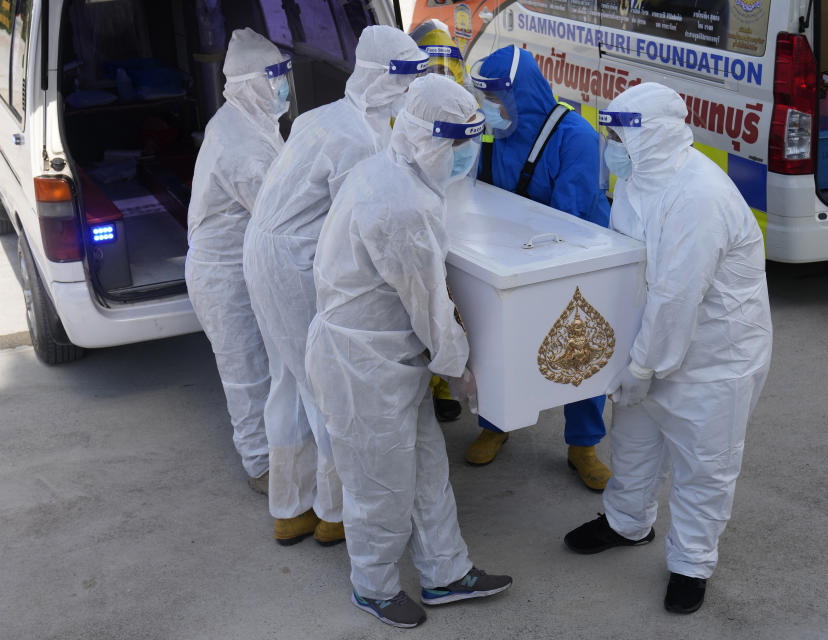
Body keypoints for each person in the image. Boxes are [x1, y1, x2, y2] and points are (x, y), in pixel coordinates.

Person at [304, 73, 512, 629]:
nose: (467, 155)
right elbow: (430, 308)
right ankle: (372, 585)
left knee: (425, 468)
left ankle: (447, 573)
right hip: (361, 365)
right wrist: (461, 369)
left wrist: (443, 362)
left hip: (391, 358)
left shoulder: (391, 170)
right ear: (427, 140)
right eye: (458, 145)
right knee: (380, 484)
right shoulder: (401, 205)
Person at [563, 83, 773, 615]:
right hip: (651, 347)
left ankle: (691, 564)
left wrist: (643, 365)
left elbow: (678, 295)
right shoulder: (638, 178)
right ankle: (628, 523)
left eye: (618, 134)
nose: (610, 143)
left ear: (650, 135)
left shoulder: (697, 196)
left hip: (714, 360)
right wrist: (634, 360)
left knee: (705, 467)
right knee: (633, 444)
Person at [243, 26, 428, 548]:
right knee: (324, 384)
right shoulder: (360, 139)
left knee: (289, 377)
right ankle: (332, 511)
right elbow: (361, 228)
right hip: (297, 261)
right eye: (405, 76)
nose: (411, 87)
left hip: (265, 249)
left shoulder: (324, 115)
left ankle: (290, 507)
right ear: (378, 76)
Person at [467, 45, 613, 490]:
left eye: (496, 99)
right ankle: (496, 423)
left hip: (575, 260)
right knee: (498, 344)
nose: (490, 109)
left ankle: (583, 445)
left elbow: (566, 216)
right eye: (485, 100)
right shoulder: (491, 134)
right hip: (508, 259)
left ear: (521, 94)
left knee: (582, 349)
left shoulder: (576, 137)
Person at [185, 28, 292, 496]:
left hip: (244, 263)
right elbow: (283, 212)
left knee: (267, 364)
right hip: (222, 277)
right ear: (250, 83)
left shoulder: (252, 119)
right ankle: (260, 467)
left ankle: (280, 452)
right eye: (275, 76)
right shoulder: (241, 144)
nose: (284, 84)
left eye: (283, 72)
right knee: (245, 371)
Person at [413, 22, 470, 423]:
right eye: (432, 63)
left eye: (447, 64)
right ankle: (434, 382)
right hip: (421, 213)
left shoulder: (467, 105)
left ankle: (447, 379)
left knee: (450, 301)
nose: (440, 71)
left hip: (455, 211)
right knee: (424, 298)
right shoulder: (409, 112)